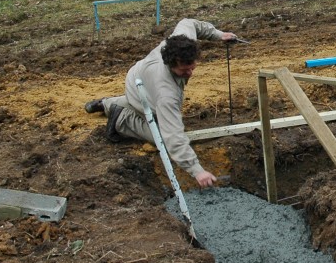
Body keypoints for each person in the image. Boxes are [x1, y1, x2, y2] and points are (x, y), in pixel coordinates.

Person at [84, 18, 238, 187]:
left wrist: (219, 35)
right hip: (139, 90)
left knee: (166, 123)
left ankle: (108, 103)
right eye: (184, 70)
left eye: (192, 67)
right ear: (170, 64)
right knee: (161, 137)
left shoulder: (183, 42)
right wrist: (197, 170)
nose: (190, 73)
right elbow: (173, 136)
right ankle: (121, 117)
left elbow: (190, 23)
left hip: (142, 75)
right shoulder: (166, 93)